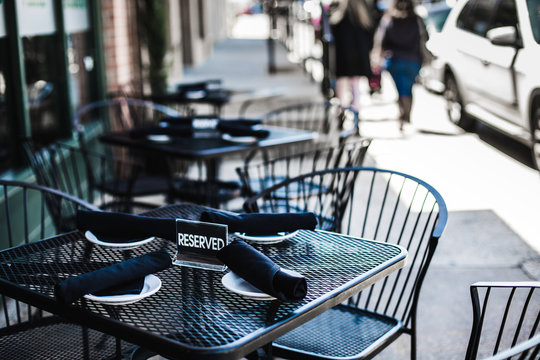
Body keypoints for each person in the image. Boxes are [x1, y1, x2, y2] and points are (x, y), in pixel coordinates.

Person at [372, 0, 428, 130]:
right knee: (407, 89)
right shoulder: (417, 20)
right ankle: (406, 115)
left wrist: (377, 57)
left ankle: (403, 115)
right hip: (413, 60)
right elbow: (425, 38)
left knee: (401, 89)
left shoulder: (389, 19)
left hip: (395, 60)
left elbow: (381, 40)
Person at [330, 0, 374, 111]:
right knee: (355, 85)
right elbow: (369, 39)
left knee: (343, 85)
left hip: (343, 58)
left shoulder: (339, 19)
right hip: (357, 59)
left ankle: (343, 110)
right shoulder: (363, 19)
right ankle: (355, 111)